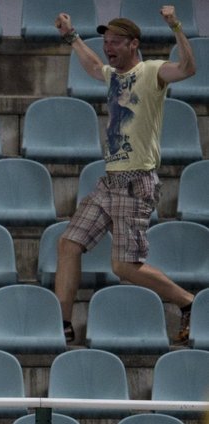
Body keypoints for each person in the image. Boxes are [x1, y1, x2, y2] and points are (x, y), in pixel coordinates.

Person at [54, 6, 198, 344]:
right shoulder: (113, 76)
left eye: (116, 41)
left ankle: (189, 302)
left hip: (136, 182)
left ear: (133, 44)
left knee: (124, 267)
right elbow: (92, 65)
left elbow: (188, 68)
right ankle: (61, 324)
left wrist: (175, 25)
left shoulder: (152, 71)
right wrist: (73, 37)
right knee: (68, 243)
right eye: (106, 41)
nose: (109, 47)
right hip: (111, 178)